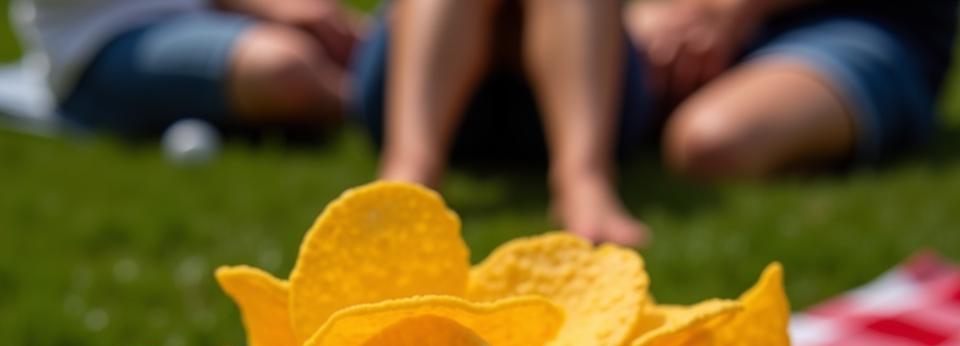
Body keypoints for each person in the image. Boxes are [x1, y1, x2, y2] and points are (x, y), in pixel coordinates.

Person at [351, 0, 958, 247]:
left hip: (864, 21)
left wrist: (727, 11)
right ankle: (408, 177)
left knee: (711, 142)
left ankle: (582, 179)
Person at [10, 0, 366, 137]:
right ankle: (384, 107)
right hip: (96, 43)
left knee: (358, 39)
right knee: (286, 70)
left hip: (199, 11)